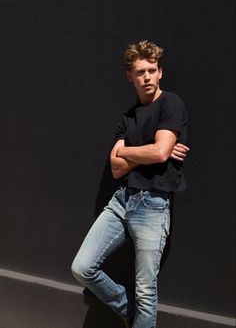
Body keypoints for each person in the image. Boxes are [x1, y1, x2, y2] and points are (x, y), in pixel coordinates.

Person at [71, 40, 189, 328]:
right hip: (121, 200)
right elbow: (115, 168)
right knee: (82, 267)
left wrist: (128, 150)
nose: (147, 76)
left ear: (160, 72)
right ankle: (127, 310)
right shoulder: (127, 118)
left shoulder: (171, 103)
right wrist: (150, 150)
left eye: (152, 70)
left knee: (146, 291)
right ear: (130, 76)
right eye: (140, 72)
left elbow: (159, 153)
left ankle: (138, 313)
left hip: (153, 205)